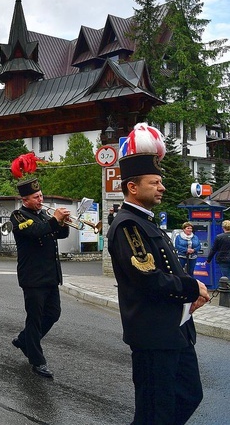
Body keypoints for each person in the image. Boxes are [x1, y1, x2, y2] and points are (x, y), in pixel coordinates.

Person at [107, 123, 209, 425]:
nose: (162, 186)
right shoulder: (128, 225)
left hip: (173, 331)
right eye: (155, 182)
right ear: (132, 187)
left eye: (160, 181)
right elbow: (148, 278)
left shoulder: (147, 222)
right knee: (155, 411)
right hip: (153, 334)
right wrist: (192, 288)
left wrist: (189, 292)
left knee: (188, 395)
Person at [9, 173, 69, 379]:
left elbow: (60, 234)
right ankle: (37, 360)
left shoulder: (44, 215)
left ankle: (25, 340)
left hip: (51, 275)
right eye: (36, 197)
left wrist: (64, 222)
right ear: (25, 200)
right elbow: (36, 232)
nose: (41, 200)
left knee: (53, 314)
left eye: (41, 195)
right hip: (33, 277)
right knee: (35, 318)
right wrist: (55, 220)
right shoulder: (18, 216)